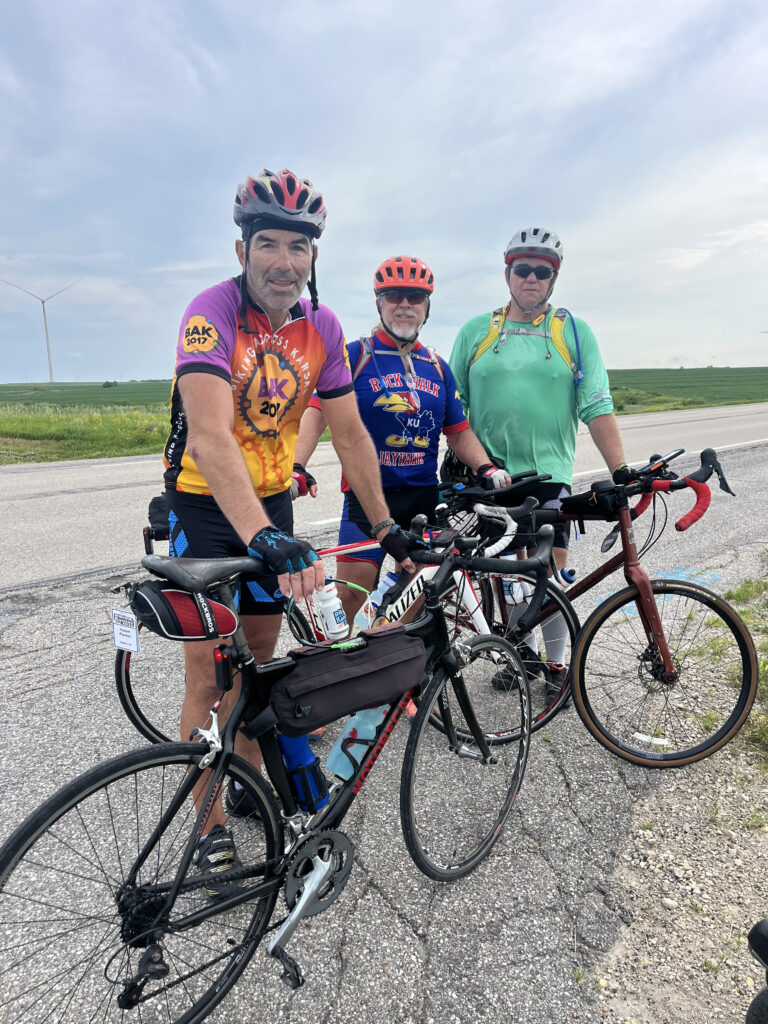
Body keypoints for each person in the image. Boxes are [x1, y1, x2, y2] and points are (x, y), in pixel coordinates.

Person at [161, 169, 413, 895]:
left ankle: (241, 771)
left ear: (312, 257)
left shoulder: (322, 327)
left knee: (260, 662)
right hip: (208, 508)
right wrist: (259, 536)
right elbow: (210, 437)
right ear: (242, 249)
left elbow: (351, 433)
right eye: (267, 243)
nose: (282, 260)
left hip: (272, 502)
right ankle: (207, 826)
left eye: (296, 247)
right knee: (209, 675)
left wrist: (385, 523)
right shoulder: (210, 314)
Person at [448, 227, 632, 695]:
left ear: (554, 277)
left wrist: (621, 472)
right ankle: (523, 657)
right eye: (522, 269)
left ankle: (556, 667)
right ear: (507, 272)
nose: (531, 278)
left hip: (549, 475)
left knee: (547, 574)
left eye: (541, 271)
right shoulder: (476, 331)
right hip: (489, 475)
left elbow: (595, 403)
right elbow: (452, 408)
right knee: (505, 575)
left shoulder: (572, 330)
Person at [294, 254, 509, 628]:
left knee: (411, 604)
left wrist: (485, 466)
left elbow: (458, 431)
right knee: (349, 601)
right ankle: (334, 675)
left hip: (421, 499)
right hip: (366, 501)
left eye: (416, 297)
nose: (405, 305)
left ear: (427, 307)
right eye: (395, 296)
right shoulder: (355, 356)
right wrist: (297, 465)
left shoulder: (437, 367)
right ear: (379, 303)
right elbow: (316, 412)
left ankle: (396, 674)